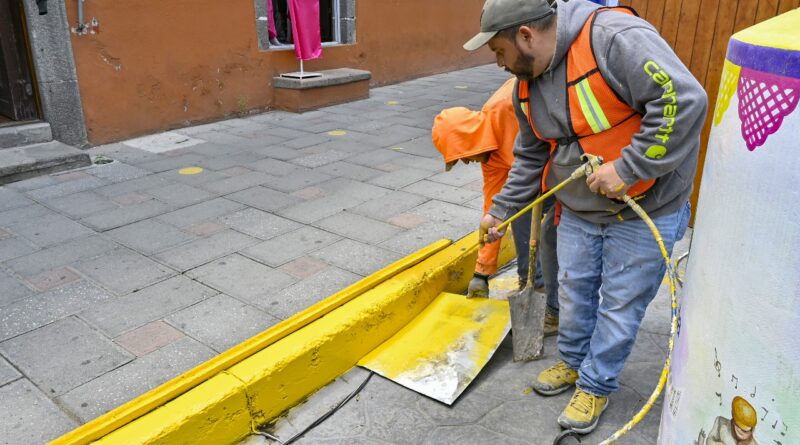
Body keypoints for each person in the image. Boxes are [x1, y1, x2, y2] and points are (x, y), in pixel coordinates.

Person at [463, 0, 707, 433]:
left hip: (646, 206)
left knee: (619, 304)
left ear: (525, 35)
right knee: (573, 292)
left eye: (499, 51)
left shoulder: (614, 40)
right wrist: (500, 211)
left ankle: (596, 384)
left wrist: (628, 168)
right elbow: (531, 155)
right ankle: (574, 363)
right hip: (579, 207)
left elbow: (684, 101)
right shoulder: (525, 85)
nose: (499, 63)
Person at [432, 78, 560, 335]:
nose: (465, 163)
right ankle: (532, 284)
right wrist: (482, 273)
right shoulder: (490, 158)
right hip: (539, 177)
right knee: (517, 210)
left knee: (550, 233)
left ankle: (555, 309)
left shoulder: (505, 110)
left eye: (462, 156)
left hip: (566, 162)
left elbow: (550, 140)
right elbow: (493, 209)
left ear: (469, 140)